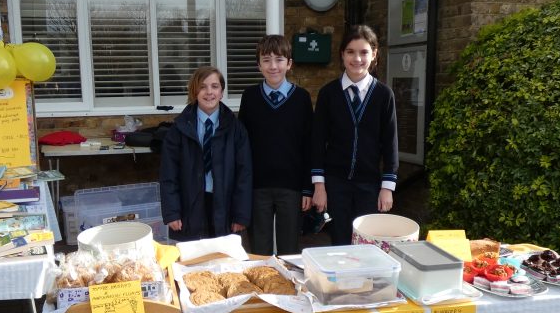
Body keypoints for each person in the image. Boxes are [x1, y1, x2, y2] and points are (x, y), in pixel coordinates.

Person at [311, 25, 398, 245]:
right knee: (339, 242)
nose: (357, 58)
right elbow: (317, 141)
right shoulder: (328, 94)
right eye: (350, 51)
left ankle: (364, 282)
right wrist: (319, 186)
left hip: (369, 185)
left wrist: (387, 188)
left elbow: (390, 143)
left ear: (374, 54)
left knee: (366, 244)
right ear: (342, 54)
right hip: (335, 184)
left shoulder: (383, 95)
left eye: (363, 52)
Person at [238, 35, 313, 255]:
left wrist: (308, 187)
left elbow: (309, 144)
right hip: (257, 186)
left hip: (291, 186)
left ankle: (288, 286)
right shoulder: (250, 97)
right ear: (258, 65)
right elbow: (243, 145)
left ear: (289, 63)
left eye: (279, 59)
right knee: (259, 247)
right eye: (266, 60)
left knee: (289, 248)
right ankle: (261, 286)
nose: (273, 66)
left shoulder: (301, 98)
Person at [160, 65, 253, 241]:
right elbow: (168, 175)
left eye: (214, 86)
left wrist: (240, 215)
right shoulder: (179, 129)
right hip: (191, 204)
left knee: (223, 260)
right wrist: (172, 212)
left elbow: (244, 174)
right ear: (194, 91)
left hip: (224, 205)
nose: (209, 92)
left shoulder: (236, 129)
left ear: (222, 91)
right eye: (202, 86)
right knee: (193, 261)